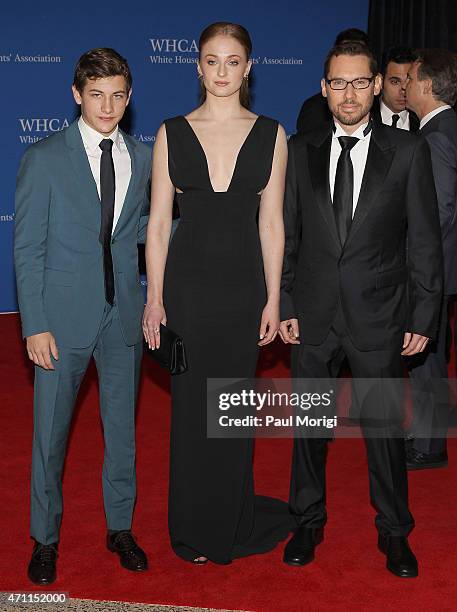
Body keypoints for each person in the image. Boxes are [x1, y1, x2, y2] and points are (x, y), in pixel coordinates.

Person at [280, 42, 443, 578]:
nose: (348, 93)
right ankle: (307, 519)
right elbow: (289, 237)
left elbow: (424, 240)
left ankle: (395, 530)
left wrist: (423, 316)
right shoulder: (299, 148)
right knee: (310, 428)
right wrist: (284, 301)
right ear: (324, 89)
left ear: (377, 86)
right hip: (313, 315)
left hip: (380, 316)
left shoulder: (408, 149)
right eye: (337, 83)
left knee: (383, 431)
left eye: (358, 82)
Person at [143, 21, 292, 564]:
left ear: (249, 67)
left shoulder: (273, 134)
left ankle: (229, 520)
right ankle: (192, 529)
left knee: (230, 411)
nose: (223, 72)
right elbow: (158, 225)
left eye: (233, 61)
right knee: (190, 413)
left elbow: (271, 225)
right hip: (187, 290)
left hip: (242, 291)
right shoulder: (170, 132)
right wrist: (154, 299)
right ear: (198, 65)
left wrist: (273, 299)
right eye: (213, 60)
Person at [14, 48, 151, 585]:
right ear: (77, 95)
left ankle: (121, 528)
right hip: (60, 321)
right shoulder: (45, 158)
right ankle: (44, 538)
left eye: (118, 95)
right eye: (97, 94)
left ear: (129, 96)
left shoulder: (142, 158)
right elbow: (27, 249)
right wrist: (34, 324)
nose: (108, 105)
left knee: (122, 433)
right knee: (50, 436)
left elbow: (141, 234)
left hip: (123, 320)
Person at [405, 48, 457, 469]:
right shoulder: (442, 128)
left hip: (433, 268)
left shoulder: (437, 135)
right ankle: (428, 435)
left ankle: (428, 445)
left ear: (425, 84)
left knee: (427, 358)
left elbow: (438, 211)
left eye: (410, 79)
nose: (403, 86)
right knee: (430, 355)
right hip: (440, 266)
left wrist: (415, 263)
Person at [296, 28, 370, 134]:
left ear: (377, 84)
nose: (349, 95)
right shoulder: (313, 109)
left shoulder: (384, 113)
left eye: (360, 82)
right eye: (339, 82)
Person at [372, 46, 419, 131]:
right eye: (395, 82)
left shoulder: (422, 121)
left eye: (408, 81)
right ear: (379, 81)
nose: (403, 90)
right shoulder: (364, 117)